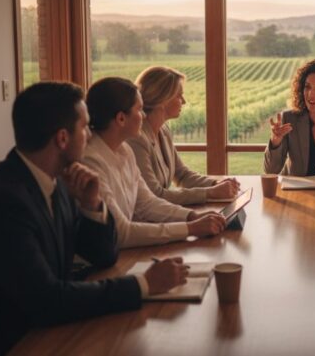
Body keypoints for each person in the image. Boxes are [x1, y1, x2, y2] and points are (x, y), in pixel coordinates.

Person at [0, 82, 189, 355]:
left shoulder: (56, 182)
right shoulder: (3, 203)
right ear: (62, 139)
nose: (90, 136)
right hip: (6, 343)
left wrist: (92, 204)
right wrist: (144, 284)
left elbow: (103, 255)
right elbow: (47, 300)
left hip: (40, 330)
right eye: (84, 128)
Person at [82, 77, 225, 249]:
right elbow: (121, 232)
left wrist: (191, 216)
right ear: (121, 119)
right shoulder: (91, 162)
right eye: (139, 109)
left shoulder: (124, 150)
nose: (143, 115)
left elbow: (147, 203)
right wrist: (190, 228)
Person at [128, 66, 239, 205]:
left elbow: (182, 175)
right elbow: (154, 195)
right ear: (163, 99)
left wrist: (216, 183)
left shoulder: (163, 130)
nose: (184, 101)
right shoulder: (137, 139)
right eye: (179, 96)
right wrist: (210, 193)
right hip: (145, 221)